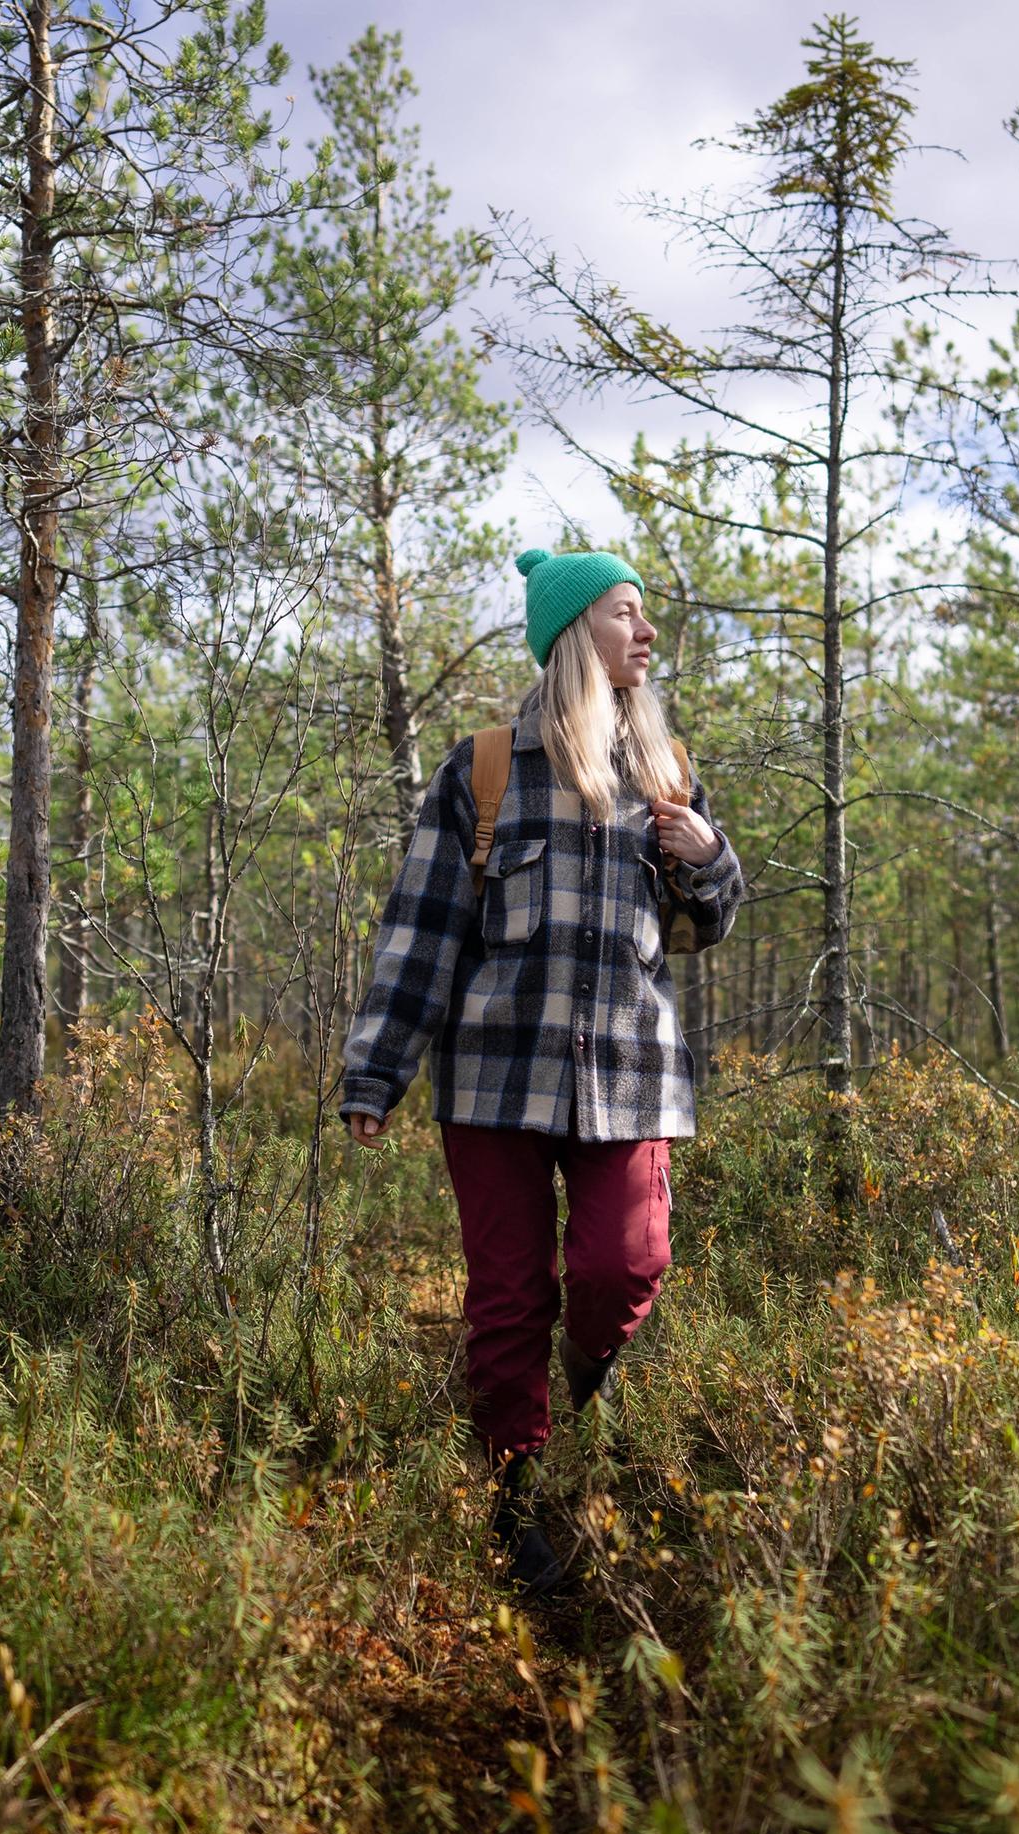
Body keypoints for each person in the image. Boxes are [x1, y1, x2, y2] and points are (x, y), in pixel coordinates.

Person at [338, 548, 745, 1596]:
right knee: (509, 1296)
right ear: (575, 634)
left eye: (647, 617)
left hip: (630, 1075)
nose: (646, 633)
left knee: (623, 1264)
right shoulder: (484, 769)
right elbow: (422, 932)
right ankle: (515, 1501)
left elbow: (702, 929)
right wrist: (376, 1073)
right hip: (495, 1081)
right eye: (625, 614)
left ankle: (583, 1397)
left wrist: (708, 857)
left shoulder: (665, 772)